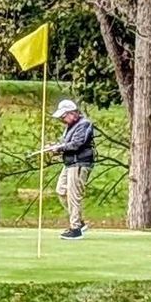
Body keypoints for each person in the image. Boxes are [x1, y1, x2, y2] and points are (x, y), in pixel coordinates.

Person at [43, 98, 95, 240]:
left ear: (72, 113)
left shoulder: (84, 124)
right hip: (70, 163)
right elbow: (67, 144)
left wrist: (59, 148)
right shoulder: (70, 126)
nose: (62, 119)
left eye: (63, 116)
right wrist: (55, 147)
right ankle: (79, 222)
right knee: (61, 190)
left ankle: (75, 229)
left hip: (80, 163)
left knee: (73, 195)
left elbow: (77, 144)